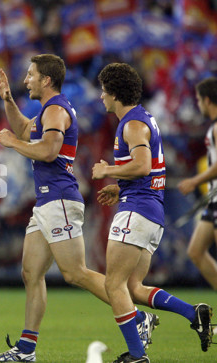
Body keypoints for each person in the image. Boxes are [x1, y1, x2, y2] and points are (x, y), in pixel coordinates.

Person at [0, 55, 155, 363]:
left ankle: (136, 316)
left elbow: (48, 151)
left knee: (75, 273)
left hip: (60, 200)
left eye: (30, 74)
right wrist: (9, 100)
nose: (26, 80)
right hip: (47, 202)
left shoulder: (56, 109)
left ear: (46, 80)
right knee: (30, 272)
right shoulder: (48, 111)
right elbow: (26, 131)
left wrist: (11, 143)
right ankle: (26, 350)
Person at [93, 63, 213, 363]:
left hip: (137, 211)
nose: (101, 96)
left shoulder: (132, 125)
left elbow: (143, 165)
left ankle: (136, 355)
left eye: (104, 90)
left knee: (113, 284)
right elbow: (152, 172)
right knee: (133, 287)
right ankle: (192, 313)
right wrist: (120, 188)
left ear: (115, 93)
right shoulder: (144, 119)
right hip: (149, 210)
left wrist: (107, 169)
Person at [177, 77, 217, 290]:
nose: (198, 104)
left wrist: (195, 180)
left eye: (199, 100)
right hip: (213, 201)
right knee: (196, 251)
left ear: (208, 100)